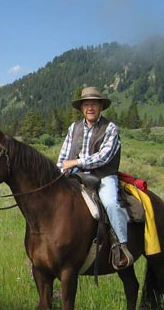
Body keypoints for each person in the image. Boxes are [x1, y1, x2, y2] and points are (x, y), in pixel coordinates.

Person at [57, 86, 132, 270]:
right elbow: (63, 157)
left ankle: (121, 246)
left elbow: (103, 157)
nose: (90, 108)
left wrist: (77, 162)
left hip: (103, 175)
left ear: (100, 107)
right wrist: (59, 174)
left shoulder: (110, 128)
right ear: (82, 107)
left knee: (110, 203)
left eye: (94, 104)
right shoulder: (73, 128)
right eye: (86, 104)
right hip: (75, 175)